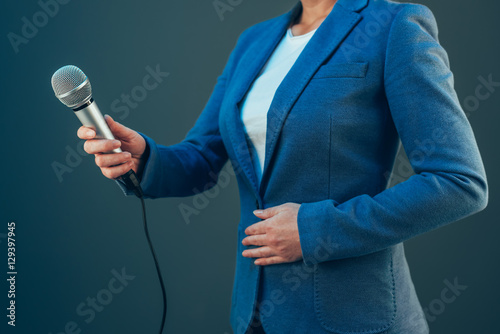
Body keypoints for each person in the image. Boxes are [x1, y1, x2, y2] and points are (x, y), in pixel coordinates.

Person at [77, 0, 488, 333]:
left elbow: (459, 181)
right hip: (253, 314)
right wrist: (145, 156)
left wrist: (314, 229)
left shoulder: (394, 24)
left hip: (350, 316)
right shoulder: (254, 41)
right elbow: (202, 158)